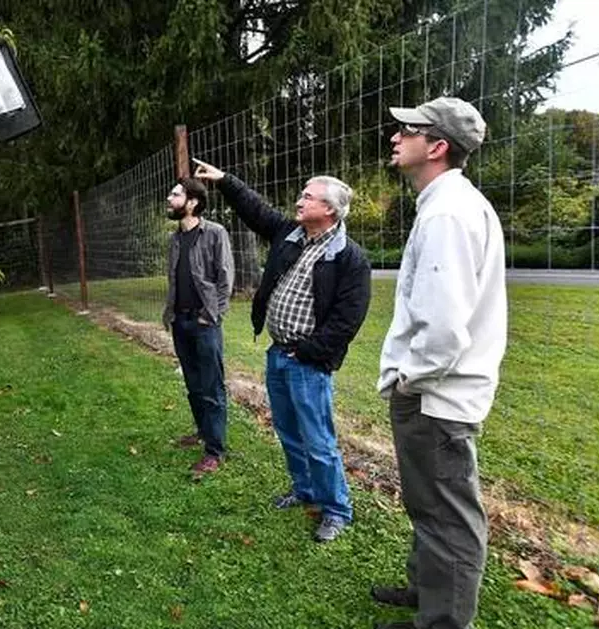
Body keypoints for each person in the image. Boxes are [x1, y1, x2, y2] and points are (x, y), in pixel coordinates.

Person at [372, 97, 506, 629]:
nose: (396, 136)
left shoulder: (448, 213)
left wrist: (410, 381)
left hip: (437, 395)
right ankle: (427, 592)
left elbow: (444, 326)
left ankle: (443, 621)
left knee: (448, 515)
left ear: (438, 146)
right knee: (429, 503)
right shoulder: (445, 204)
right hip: (436, 390)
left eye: (410, 129)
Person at [193, 159, 371, 542]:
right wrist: (225, 181)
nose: (299, 200)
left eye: (308, 196)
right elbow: (256, 210)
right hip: (278, 354)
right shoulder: (290, 234)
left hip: (306, 362)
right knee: (288, 431)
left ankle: (336, 509)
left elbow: (347, 321)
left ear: (329, 210)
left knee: (318, 440)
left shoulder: (349, 257)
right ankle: (304, 490)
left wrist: (307, 351)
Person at [162, 177, 234, 476]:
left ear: (192, 202)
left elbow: (225, 279)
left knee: (212, 386)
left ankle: (215, 451)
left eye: (176, 194)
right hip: (180, 320)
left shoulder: (215, 233)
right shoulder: (175, 239)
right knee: (193, 384)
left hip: (205, 322)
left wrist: (210, 316)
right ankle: (203, 431)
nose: (169, 198)